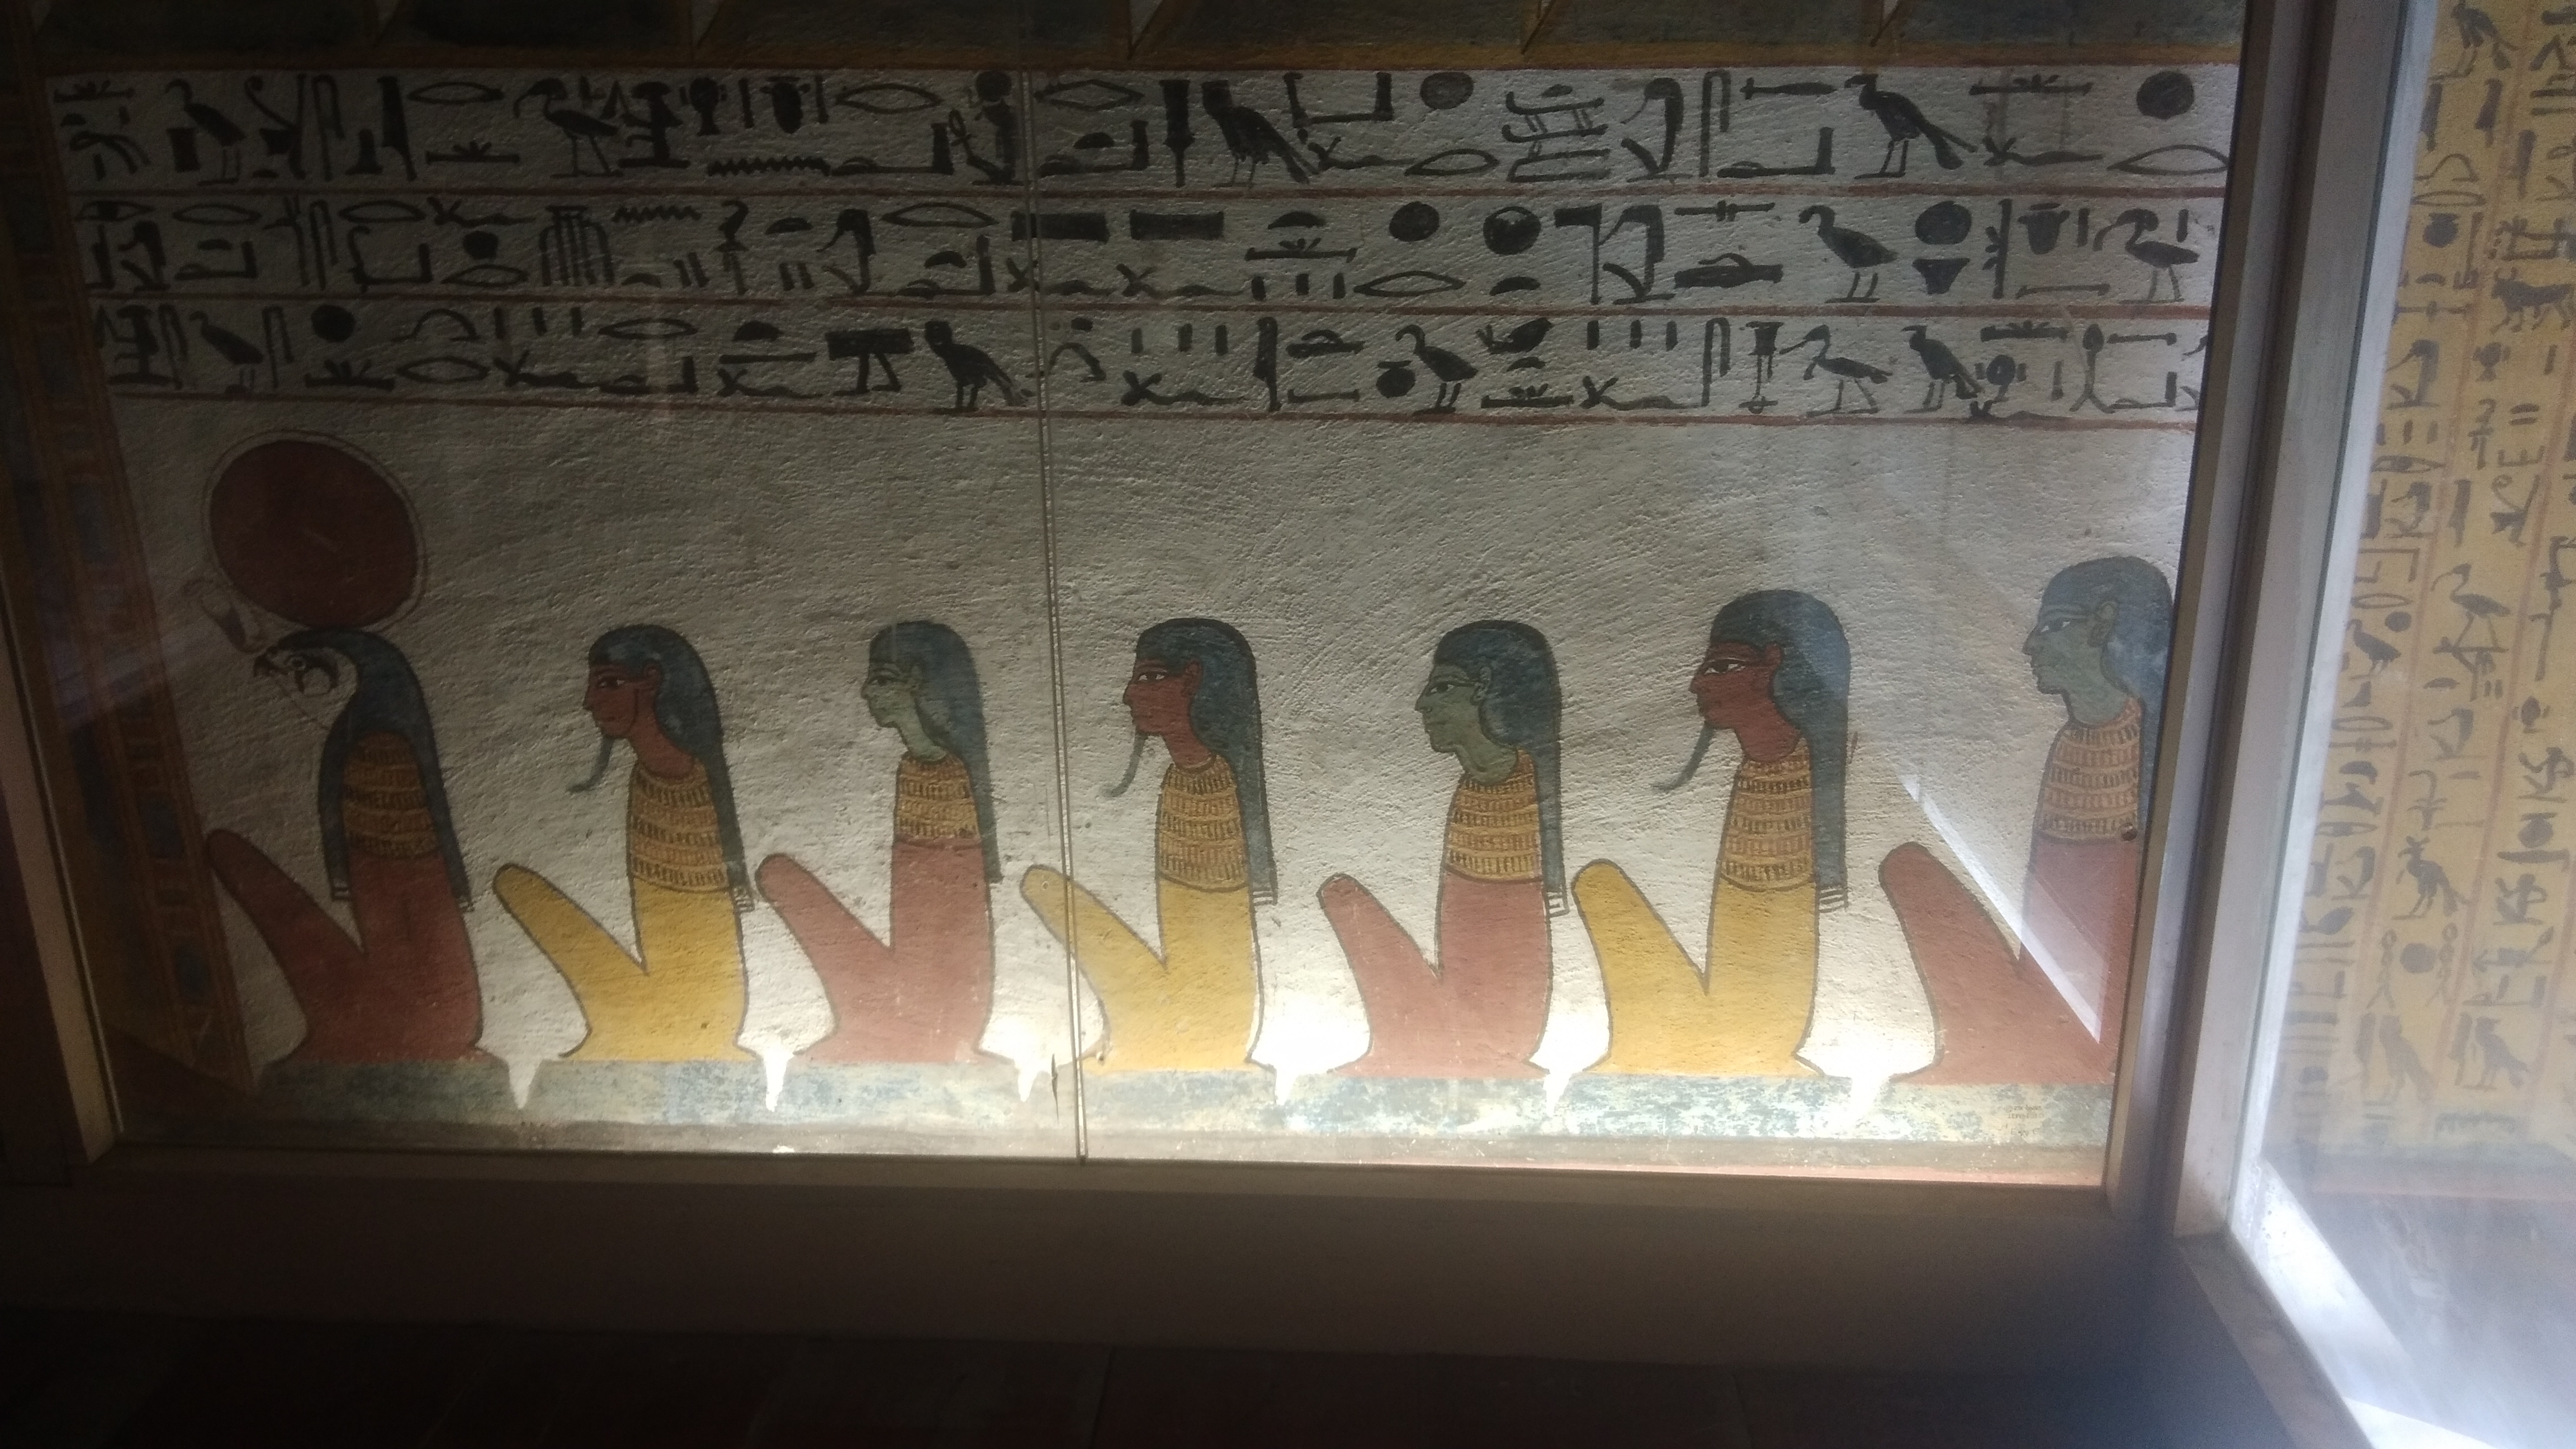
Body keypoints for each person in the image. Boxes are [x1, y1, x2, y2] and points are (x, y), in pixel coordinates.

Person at [1891, 557, 2171, 1084]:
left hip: (2099, 1023)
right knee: (1906, 868)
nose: (2029, 646)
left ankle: (2039, 1049)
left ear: (2103, 624)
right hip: (2045, 1002)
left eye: (2051, 627)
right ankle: (2008, 1044)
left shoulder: (2150, 747)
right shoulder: (2072, 742)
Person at [1574, 590, 1856, 1076]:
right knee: (1596, 884)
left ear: (1772, 665)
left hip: (1757, 1036)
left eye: (1721, 667)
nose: (1695, 685)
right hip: (1733, 1031)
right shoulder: (1754, 769)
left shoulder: (1807, 768)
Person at [203, 629, 484, 1062]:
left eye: (302, 669)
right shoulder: (356, 738)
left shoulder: (374, 736)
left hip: (406, 883)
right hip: (383, 879)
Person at [493, 626, 753, 1062]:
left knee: (516, 886)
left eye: (608, 683)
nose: (589, 702)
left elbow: (692, 948)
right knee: (515, 885)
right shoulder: (648, 778)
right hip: (679, 1019)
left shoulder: (688, 782)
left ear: (651, 681)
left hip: (698, 1019)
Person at [1022, 619, 1270, 1071]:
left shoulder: (1214, 785)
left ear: (1191, 680)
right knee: (1041, 886)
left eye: (1149, 677)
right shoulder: (1183, 777)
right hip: (1189, 1017)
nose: (1128, 696)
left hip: (1205, 1028)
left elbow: (1210, 951)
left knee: (1040, 886)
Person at [1320, 621, 1561, 1077]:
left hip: (1496, 1030)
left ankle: (1435, 1044)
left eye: (1442, 688)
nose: (1421, 704)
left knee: (1341, 896)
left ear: (1482, 689)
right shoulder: (1477, 785)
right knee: (1340, 895)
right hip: (1471, 1022)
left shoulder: (1514, 784)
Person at [757, 623, 1001, 1064]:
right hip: (912, 1000)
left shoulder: (949, 775)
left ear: (917, 684)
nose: (867, 691)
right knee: (777, 876)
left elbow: (946, 916)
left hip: (935, 1009)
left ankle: (902, 1027)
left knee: (778, 877)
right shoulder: (917, 767)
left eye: (882, 679)